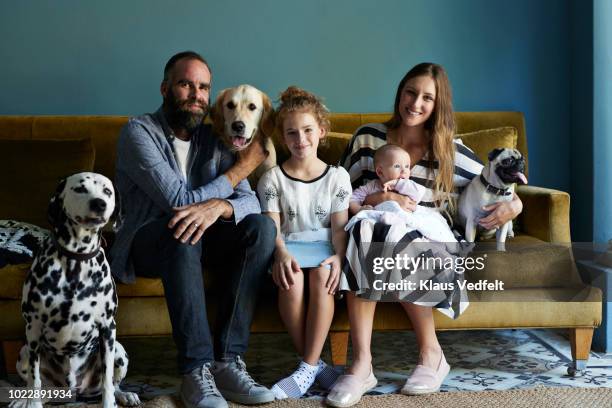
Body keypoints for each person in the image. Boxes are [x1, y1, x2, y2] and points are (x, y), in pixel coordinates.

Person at [326, 63, 523, 407]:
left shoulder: (449, 151)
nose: (415, 103)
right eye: (410, 92)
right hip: (371, 236)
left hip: (431, 244)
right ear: (399, 93)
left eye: (427, 98)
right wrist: (377, 202)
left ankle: (431, 355)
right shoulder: (368, 138)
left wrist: (516, 206)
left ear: (438, 105)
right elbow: (339, 193)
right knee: (372, 231)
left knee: (395, 237)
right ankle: (361, 366)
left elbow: (498, 182)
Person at [110, 51, 276, 408]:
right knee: (182, 231)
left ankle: (227, 362)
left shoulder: (215, 138)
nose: (196, 94)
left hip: (200, 236)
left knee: (261, 228)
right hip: (148, 239)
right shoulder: (138, 132)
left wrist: (223, 205)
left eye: (203, 87)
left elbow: (251, 203)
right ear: (166, 88)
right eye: (186, 84)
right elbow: (179, 200)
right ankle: (196, 371)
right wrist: (237, 173)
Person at [256, 86, 351, 399]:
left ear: (321, 132)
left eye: (308, 131)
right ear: (283, 138)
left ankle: (307, 367)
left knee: (324, 273)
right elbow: (272, 226)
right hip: (289, 246)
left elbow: (339, 229)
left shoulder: (338, 178)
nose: (301, 140)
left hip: (324, 247)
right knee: (292, 279)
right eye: (292, 133)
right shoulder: (272, 179)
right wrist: (280, 254)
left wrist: (339, 257)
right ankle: (315, 367)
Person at [346, 144, 458, 244]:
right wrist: (359, 209)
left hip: (408, 223)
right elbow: (352, 198)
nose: (404, 171)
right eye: (397, 166)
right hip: (384, 226)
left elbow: (418, 193)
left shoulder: (407, 185)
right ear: (380, 172)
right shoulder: (372, 186)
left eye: (407, 166)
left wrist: (397, 183)